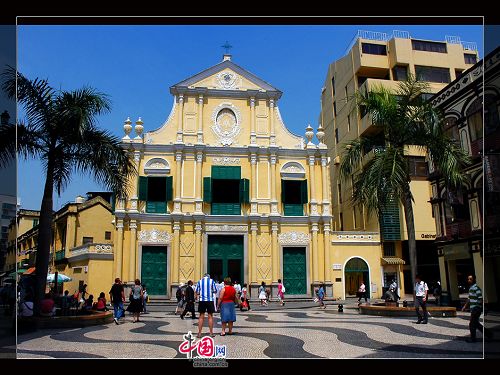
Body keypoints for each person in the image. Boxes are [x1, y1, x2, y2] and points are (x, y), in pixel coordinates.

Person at [462, 274, 494, 343]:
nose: (469, 280)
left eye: (470, 279)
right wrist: (465, 306)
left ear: (474, 279)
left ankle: (473, 339)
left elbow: (480, 299)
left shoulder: (476, 288)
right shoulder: (471, 288)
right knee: (476, 323)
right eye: (468, 279)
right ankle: (489, 334)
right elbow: (469, 298)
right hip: (473, 308)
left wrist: (479, 307)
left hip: (476, 308)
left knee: (472, 324)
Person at [195, 273, 218, 338]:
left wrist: (197, 297)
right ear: (208, 277)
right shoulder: (211, 281)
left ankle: (199, 333)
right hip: (209, 300)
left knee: (201, 316)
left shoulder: (199, 281)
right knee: (210, 316)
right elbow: (215, 290)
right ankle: (211, 333)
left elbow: (196, 291)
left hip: (202, 300)